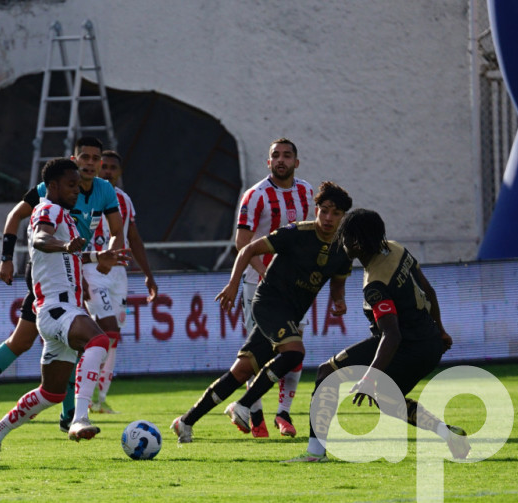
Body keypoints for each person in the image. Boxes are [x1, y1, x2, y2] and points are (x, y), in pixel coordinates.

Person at [0, 136, 124, 432]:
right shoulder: (52, 194)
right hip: (52, 268)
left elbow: (118, 231)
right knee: (80, 337)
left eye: (96, 158)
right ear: (74, 159)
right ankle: (71, 413)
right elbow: (19, 219)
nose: (91, 164)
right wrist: (6, 257)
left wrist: (102, 256)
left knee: (26, 342)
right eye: (85, 157)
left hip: (73, 263)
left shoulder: (103, 191)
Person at [171, 181, 352, 443]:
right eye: (324, 210)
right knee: (295, 352)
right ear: (316, 210)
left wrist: (339, 301)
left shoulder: (342, 250)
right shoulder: (296, 233)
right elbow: (248, 248)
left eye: (335, 213)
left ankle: (186, 422)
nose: (328, 218)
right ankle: (243, 405)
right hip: (268, 303)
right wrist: (233, 285)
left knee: (241, 371)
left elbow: (338, 284)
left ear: (343, 216)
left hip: (290, 315)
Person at [284, 209, 470, 462]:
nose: (342, 242)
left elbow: (391, 336)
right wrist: (441, 330)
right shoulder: (396, 249)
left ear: (358, 243)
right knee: (387, 400)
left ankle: (316, 453)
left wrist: (369, 378)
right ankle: (449, 435)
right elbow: (429, 290)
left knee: (327, 372)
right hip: (429, 343)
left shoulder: (376, 284)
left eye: (346, 237)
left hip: (407, 344)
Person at [234, 137, 315, 438]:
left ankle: (283, 412)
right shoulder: (255, 195)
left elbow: (310, 234)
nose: (281, 160)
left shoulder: (307, 191)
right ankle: (254, 415)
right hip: (259, 285)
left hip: (294, 287)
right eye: (275, 156)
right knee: (258, 351)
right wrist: (263, 270)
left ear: (296, 161)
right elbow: (242, 242)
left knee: (294, 349)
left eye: (287, 155)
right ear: (268, 162)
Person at [86, 150, 158, 414]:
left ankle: (99, 397)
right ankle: (87, 390)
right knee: (107, 332)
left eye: (112, 167)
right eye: (103, 166)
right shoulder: (86, 196)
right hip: (93, 270)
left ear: (119, 172)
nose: (107, 171)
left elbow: (134, 239)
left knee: (113, 337)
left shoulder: (125, 200)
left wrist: (148, 275)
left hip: (119, 275)